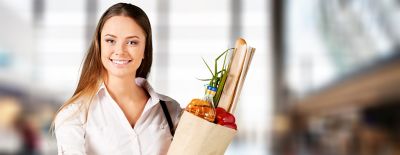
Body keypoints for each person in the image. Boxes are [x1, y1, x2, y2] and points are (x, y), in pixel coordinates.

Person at [53, 3, 182, 155]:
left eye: (132, 42)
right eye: (110, 40)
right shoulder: (74, 115)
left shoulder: (170, 111)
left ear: (145, 50)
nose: (120, 51)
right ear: (99, 45)